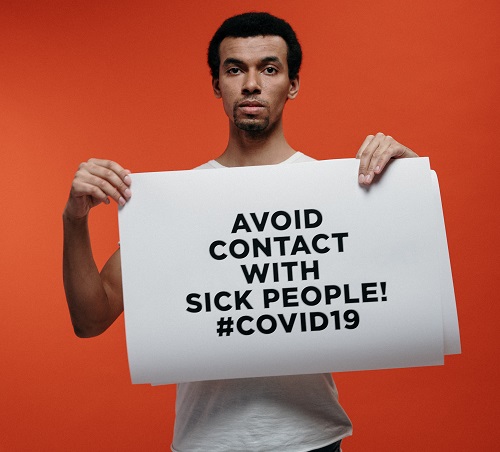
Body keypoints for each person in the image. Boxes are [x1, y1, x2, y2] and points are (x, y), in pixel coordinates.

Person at [63, 12, 418, 452]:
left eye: (269, 68)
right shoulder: (179, 202)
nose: (252, 83)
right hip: (205, 443)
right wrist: (74, 221)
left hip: (313, 440)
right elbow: (91, 319)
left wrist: (408, 186)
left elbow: (405, 285)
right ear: (217, 84)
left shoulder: (338, 193)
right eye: (235, 69)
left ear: (293, 84)